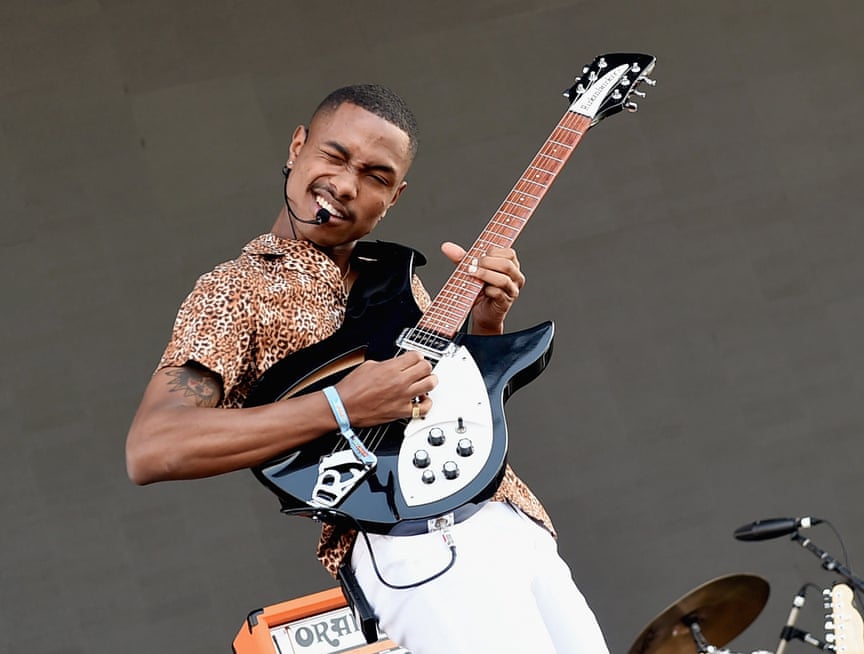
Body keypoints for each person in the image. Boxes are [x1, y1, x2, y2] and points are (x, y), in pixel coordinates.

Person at [126, 84, 609, 654]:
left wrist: (485, 330)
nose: (347, 184)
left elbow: (448, 416)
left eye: (376, 177)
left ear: (394, 198)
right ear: (296, 147)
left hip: (514, 520)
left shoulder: (395, 278)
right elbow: (153, 446)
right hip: (412, 537)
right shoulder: (237, 290)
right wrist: (342, 405)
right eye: (334, 156)